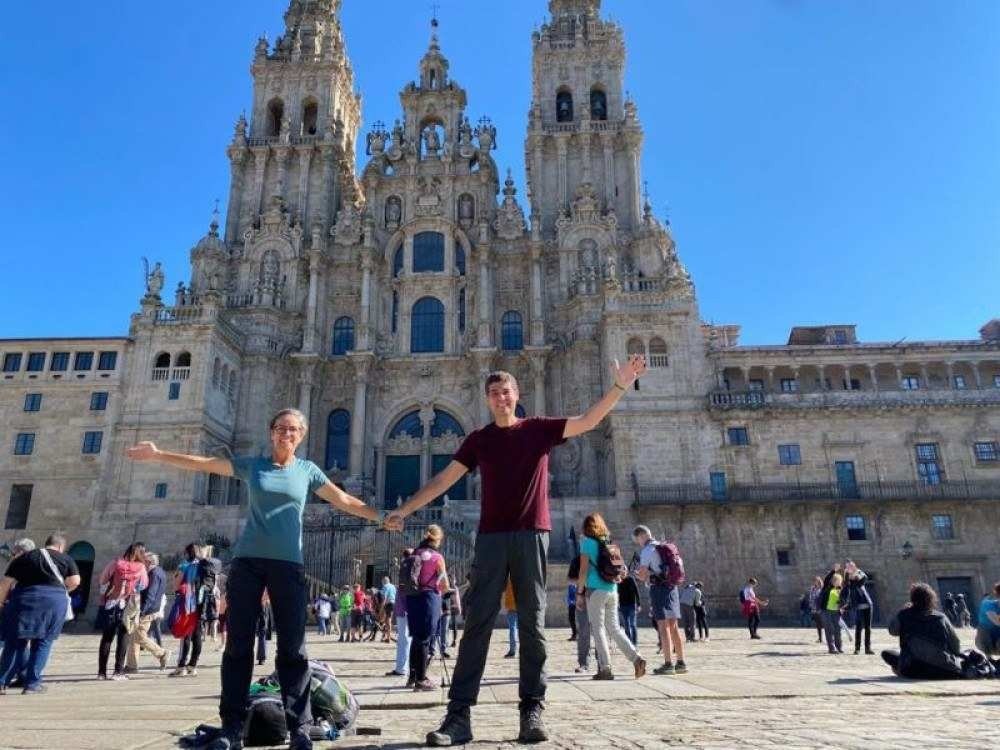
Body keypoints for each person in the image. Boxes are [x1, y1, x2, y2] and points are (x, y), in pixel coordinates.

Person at [386, 356, 648, 746]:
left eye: (505, 392)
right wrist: (405, 509)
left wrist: (621, 385)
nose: (500, 398)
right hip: (491, 538)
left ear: (516, 395)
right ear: (488, 399)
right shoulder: (479, 439)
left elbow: (589, 420)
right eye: (494, 393)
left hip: (531, 536)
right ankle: (459, 717)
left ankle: (531, 711)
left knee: (533, 626)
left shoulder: (539, 430)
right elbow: (444, 479)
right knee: (476, 626)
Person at [127, 406, 388, 750]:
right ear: (271, 432)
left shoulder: (307, 470)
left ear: (302, 435)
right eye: (281, 427)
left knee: (294, 650)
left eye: (294, 429)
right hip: (248, 563)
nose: (287, 433)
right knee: (237, 647)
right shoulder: (254, 466)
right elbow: (205, 463)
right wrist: (159, 455)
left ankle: (299, 729)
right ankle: (232, 728)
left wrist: (381, 516)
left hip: (288, 565)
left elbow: (343, 500)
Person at [0, 533, 80, 695]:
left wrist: (1, 602)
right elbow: (75, 581)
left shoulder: (25, 557)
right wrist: (60, 590)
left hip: (24, 600)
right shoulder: (65, 559)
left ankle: (2, 682)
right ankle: (32, 684)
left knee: (15, 642)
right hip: (53, 602)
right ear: (60, 547)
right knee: (43, 642)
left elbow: (6, 582)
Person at [578, 513, 647, 681]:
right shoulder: (609, 543)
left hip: (595, 590)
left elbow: (583, 571)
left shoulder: (587, 543)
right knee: (615, 628)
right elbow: (621, 569)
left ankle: (605, 668)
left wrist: (580, 593)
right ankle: (636, 658)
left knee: (598, 629)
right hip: (612, 589)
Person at [633, 525, 686, 675]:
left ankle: (668, 663)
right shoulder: (662, 545)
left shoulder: (647, 550)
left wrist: (635, 574)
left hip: (659, 589)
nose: (638, 543)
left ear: (641, 536)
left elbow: (642, 576)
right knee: (674, 627)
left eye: (637, 540)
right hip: (672, 588)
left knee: (663, 627)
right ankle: (681, 662)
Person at [882, 582, 965, 678]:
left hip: (912, 668)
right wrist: (954, 656)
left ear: (913, 599)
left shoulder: (904, 615)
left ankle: (901, 670)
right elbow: (955, 643)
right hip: (943, 669)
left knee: (888, 653)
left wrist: (902, 611)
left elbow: (893, 631)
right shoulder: (941, 617)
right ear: (931, 599)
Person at [404, 525, 449, 692]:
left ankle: (412, 676)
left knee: (416, 637)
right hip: (429, 598)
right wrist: (446, 591)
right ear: (437, 539)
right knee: (425, 638)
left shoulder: (414, 553)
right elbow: (444, 584)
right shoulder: (437, 557)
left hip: (412, 598)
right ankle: (421, 679)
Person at [97, 542, 149, 680]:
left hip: (111, 604)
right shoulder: (141, 567)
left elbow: (102, 579)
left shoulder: (115, 563)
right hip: (128, 606)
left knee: (107, 638)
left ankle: (101, 673)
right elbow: (143, 585)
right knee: (123, 639)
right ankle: (118, 672)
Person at [126, 552, 171, 673]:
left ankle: (162, 653)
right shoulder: (159, 571)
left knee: (139, 636)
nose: (141, 563)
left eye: (143, 561)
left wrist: (142, 611)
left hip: (148, 609)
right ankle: (131, 665)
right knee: (135, 636)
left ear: (149, 562)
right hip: (151, 608)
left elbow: (151, 594)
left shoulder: (154, 574)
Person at [171, 543, 206, 677]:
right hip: (202, 603)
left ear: (187, 552)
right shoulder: (204, 565)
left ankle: (181, 666)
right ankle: (193, 665)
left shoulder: (185, 565)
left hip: (188, 602)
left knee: (186, 634)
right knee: (197, 634)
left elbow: (176, 584)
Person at [0, 538, 35, 655]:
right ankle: (23, 670)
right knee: (21, 642)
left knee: (10, 640)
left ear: (21, 552)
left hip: (15, 606)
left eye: (14, 553)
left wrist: (0, 602)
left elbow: (6, 584)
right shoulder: (37, 564)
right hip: (30, 608)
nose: (12, 556)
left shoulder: (18, 564)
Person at [386, 549, 414, 680]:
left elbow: (405, 589)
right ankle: (402, 667)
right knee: (404, 639)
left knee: (405, 638)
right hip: (404, 608)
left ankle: (403, 668)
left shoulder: (408, 568)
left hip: (405, 609)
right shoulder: (409, 567)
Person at [843, 562, 874, 655]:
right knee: (859, 627)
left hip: (868, 605)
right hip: (858, 607)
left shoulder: (859, 578)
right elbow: (847, 584)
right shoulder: (850, 583)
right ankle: (857, 648)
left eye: (852, 567)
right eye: (849, 567)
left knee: (868, 627)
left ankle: (868, 648)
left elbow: (864, 579)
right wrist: (848, 573)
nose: (851, 568)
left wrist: (857, 571)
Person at [567, 557, 592, 674]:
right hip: (588, 596)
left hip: (595, 596)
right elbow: (570, 579)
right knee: (585, 631)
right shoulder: (577, 559)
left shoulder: (604, 554)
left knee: (591, 632)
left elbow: (571, 580)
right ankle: (586, 663)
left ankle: (596, 663)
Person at [975, 583, 1000, 657]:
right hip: (987, 644)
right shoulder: (987, 604)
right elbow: (997, 622)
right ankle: (989, 659)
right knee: (983, 629)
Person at [822, 573, 845, 654]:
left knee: (837, 630)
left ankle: (839, 647)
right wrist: (833, 571)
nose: (837, 582)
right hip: (826, 611)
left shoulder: (840, 590)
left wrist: (842, 605)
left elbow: (844, 600)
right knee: (829, 629)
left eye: (839, 580)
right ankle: (832, 648)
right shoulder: (827, 588)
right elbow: (827, 579)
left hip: (836, 611)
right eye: (835, 580)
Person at [617, 572, 640, 646]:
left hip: (632, 605)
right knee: (626, 625)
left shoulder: (631, 579)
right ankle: (629, 643)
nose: (623, 571)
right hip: (623, 606)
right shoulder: (618, 580)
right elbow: (616, 593)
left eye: (624, 569)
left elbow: (636, 591)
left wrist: (638, 604)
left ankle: (634, 643)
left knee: (632, 624)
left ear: (626, 571)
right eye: (622, 569)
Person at [257, 592, 274, 665]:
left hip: (264, 604)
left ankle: (262, 657)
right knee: (262, 632)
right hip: (263, 604)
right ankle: (262, 657)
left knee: (263, 632)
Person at [502, 578, 518, 659]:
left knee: (513, 629)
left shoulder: (509, 580)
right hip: (521, 607)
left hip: (512, 607)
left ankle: (513, 650)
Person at [808, 577, 825, 644]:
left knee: (824, 623)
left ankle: (827, 638)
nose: (815, 582)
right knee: (818, 625)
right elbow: (811, 598)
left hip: (821, 609)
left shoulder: (822, 588)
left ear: (819, 581)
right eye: (814, 581)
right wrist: (811, 606)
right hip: (814, 609)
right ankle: (820, 638)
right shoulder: (812, 588)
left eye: (817, 581)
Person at [381, 576, 397, 642]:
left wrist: (382, 607)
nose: (382, 583)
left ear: (384, 581)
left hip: (388, 604)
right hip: (393, 603)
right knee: (387, 620)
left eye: (382, 581)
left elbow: (384, 597)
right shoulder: (393, 586)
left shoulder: (385, 586)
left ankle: (388, 638)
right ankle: (387, 636)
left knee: (388, 621)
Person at [566, 575, 578, 642]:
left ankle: (576, 635)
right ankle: (574, 634)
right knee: (571, 619)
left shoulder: (576, 585)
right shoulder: (570, 585)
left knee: (576, 619)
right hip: (571, 604)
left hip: (576, 603)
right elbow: (569, 595)